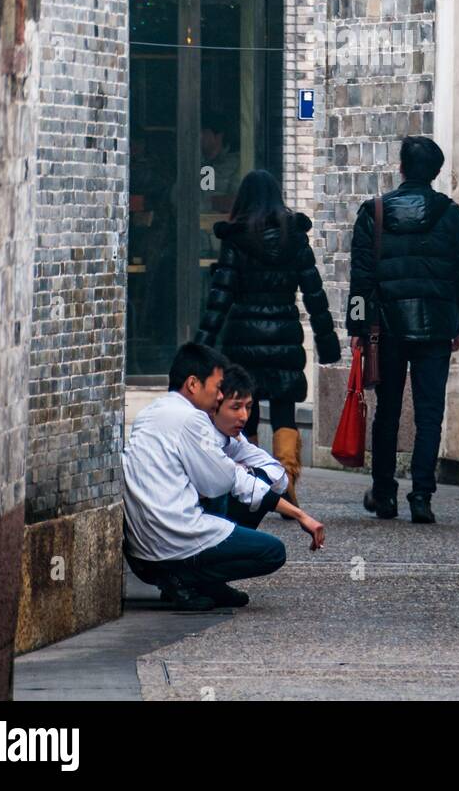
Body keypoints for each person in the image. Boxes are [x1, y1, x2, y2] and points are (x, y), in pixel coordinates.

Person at [122, 343, 318, 612]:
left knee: (244, 484)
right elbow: (219, 484)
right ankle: (184, 578)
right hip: (172, 540)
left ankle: (196, 581)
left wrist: (235, 467)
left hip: (141, 551)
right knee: (273, 552)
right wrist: (237, 471)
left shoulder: (152, 412)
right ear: (193, 384)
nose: (218, 396)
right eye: (216, 388)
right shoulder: (192, 419)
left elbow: (267, 475)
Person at [347, 136, 459, 524]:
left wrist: (357, 326)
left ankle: (384, 493)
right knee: (429, 413)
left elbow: (361, 278)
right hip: (436, 328)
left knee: (386, 412)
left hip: (385, 329)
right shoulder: (450, 214)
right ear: (436, 173)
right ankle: (422, 496)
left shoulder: (375, 212)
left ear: (401, 168)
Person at [197, 169, 341, 506]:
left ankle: (250, 479)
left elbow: (221, 296)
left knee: (245, 408)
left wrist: (202, 345)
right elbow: (314, 292)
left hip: (243, 336)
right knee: (284, 409)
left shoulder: (237, 238)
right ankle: (286, 477)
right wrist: (327, 340)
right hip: (285, 334)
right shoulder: (295, 238)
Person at [203, 364, 325, 546]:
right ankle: (218, 548)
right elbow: (242, 484)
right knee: (272, 550)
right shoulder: (202, 435)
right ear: (214, 405)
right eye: (236, 407)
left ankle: (227, 543)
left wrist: (245, 470)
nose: (244, 416)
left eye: (249, 407)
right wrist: (298, 514)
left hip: (250, 360)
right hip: (181, 530)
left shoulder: (233, 438)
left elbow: (278, 475)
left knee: (257, 478)